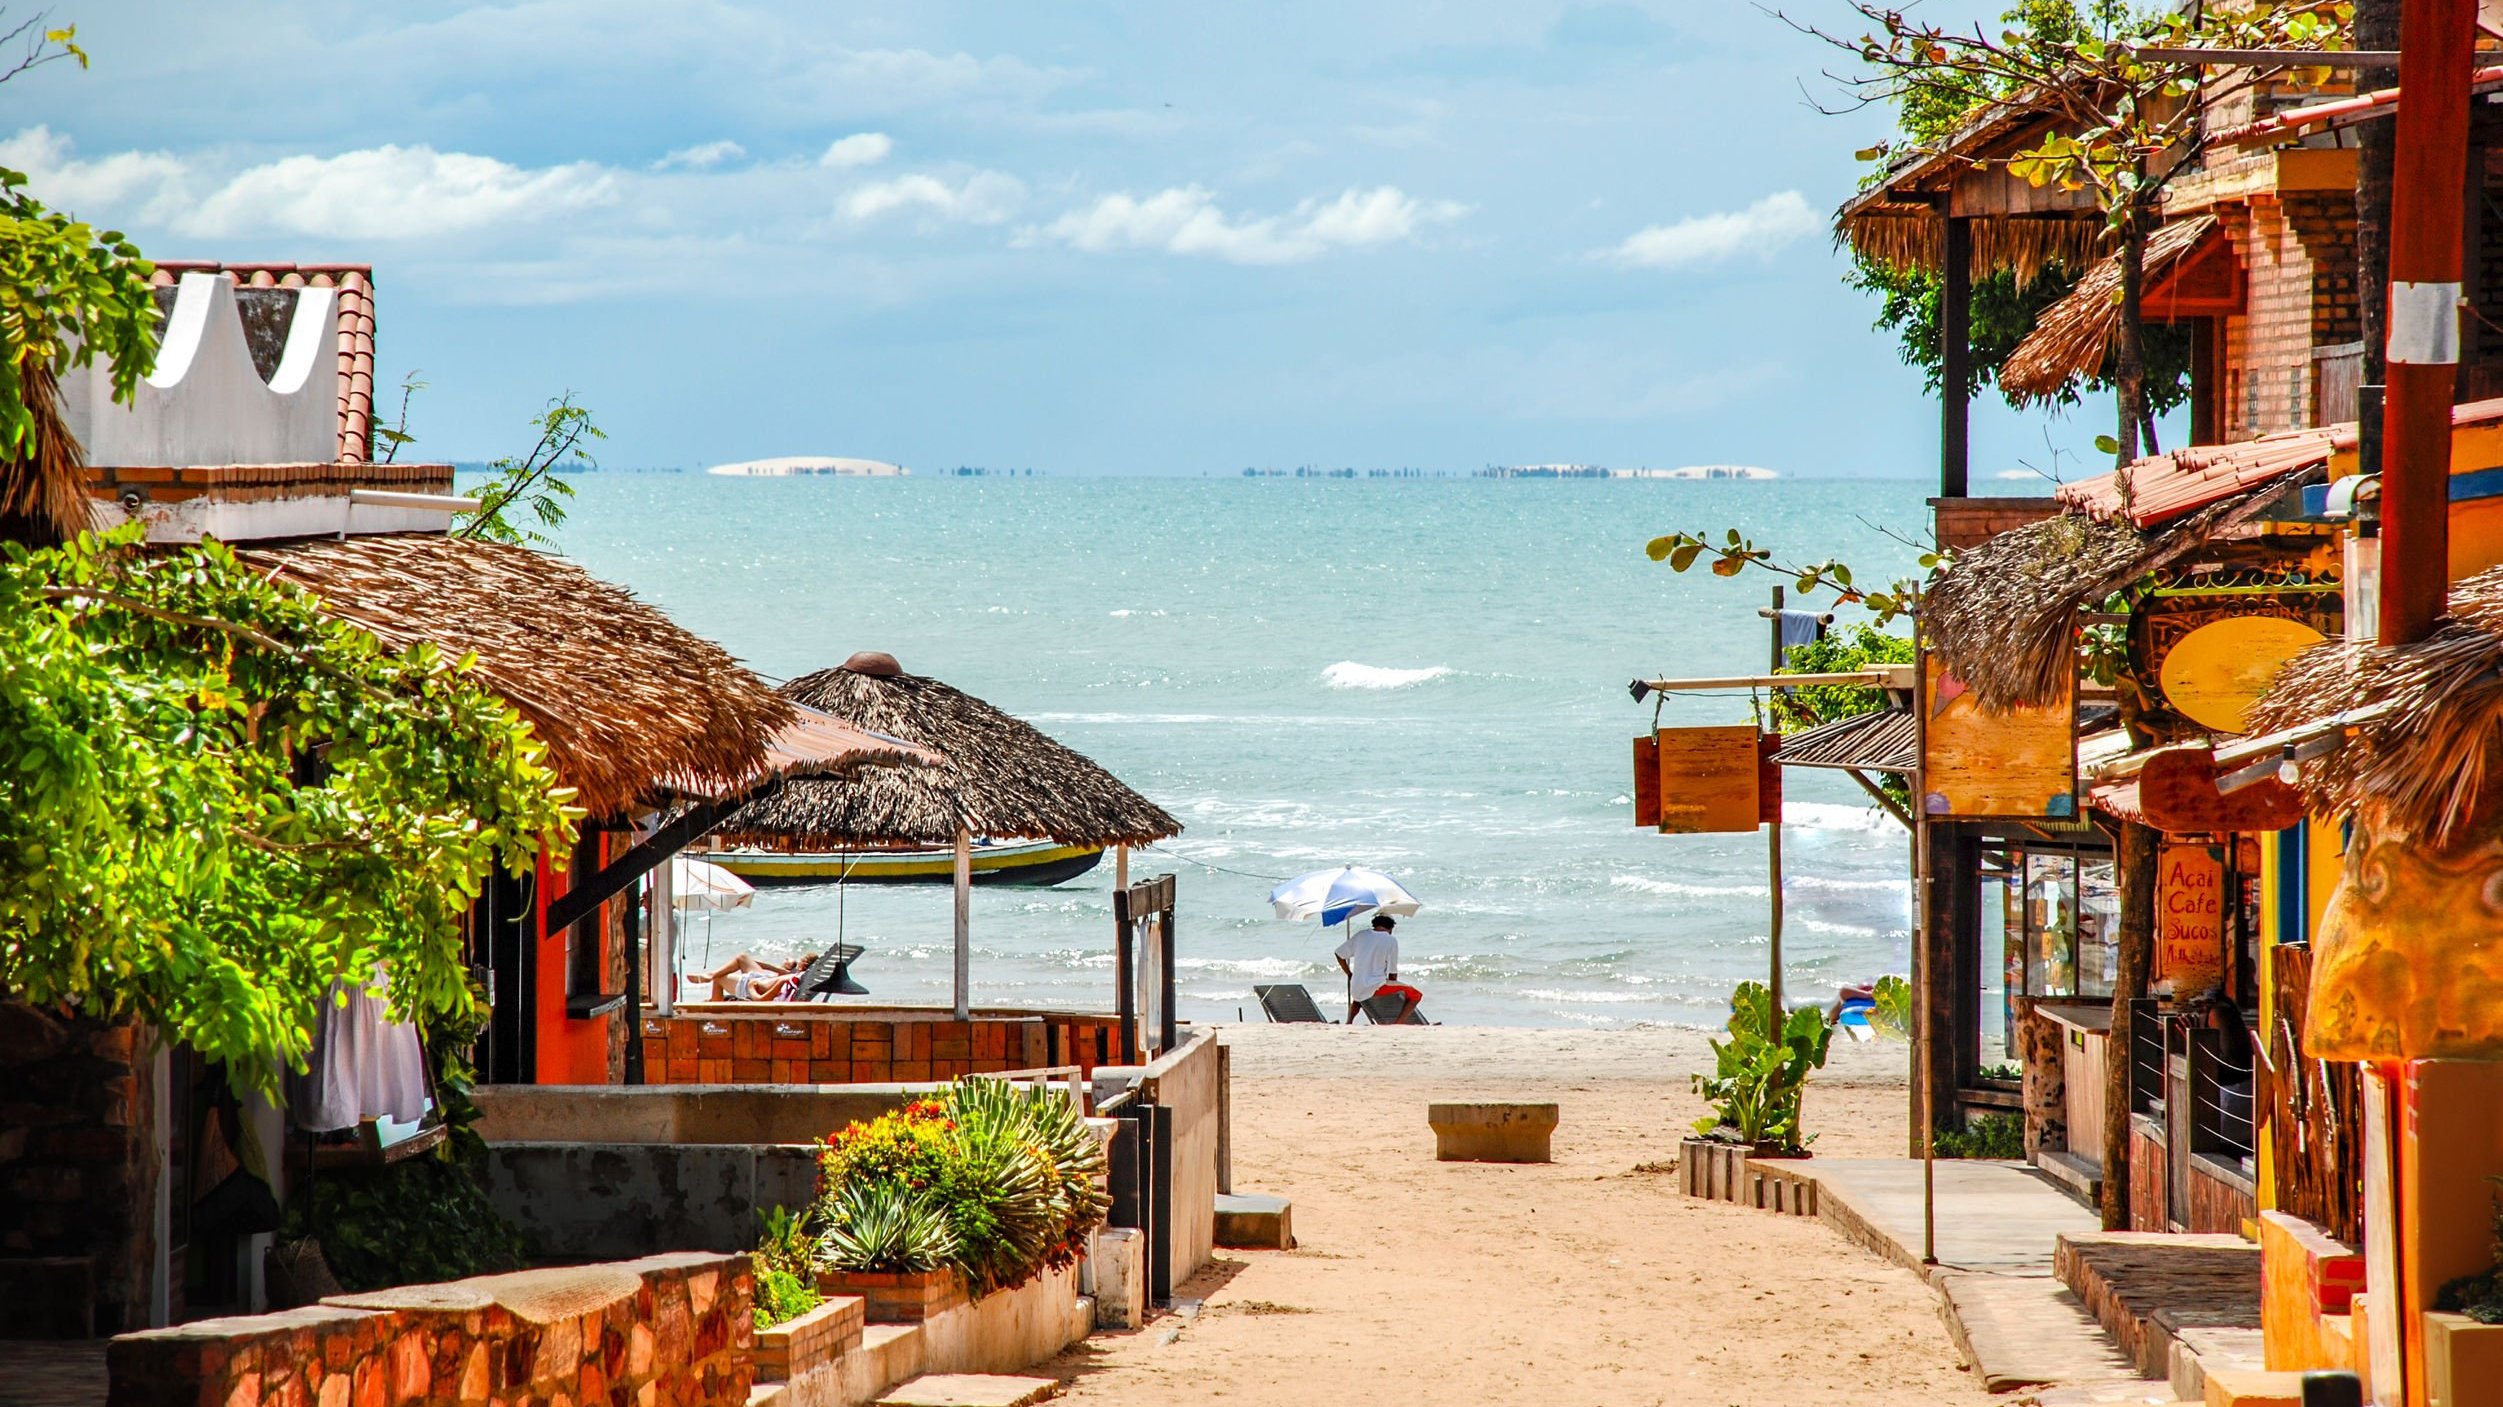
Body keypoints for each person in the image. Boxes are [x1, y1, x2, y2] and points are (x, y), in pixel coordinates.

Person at [1335, 913, 1401, 1024]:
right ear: (1390, 928)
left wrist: (1349, 974)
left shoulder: (1361, 935)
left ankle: (1349, 1021)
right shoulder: (1391, 940)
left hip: (1357, 986)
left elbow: (1339, 954)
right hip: (1376, 987)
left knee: (1360, 995)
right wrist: (1393, 988)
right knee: (1413, 994)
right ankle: (1399, 1021)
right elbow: (1392, 972)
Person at [701, 952, 812, 1001]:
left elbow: (762, 1000)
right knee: (742, 957)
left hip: (751, 989)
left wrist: (751, 987)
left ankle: (715, 1008)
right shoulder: (793, 978)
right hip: (762, 979)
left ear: (802, 966)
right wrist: (779, 970)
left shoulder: (786, 979)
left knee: (718, 978)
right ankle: (711, 980)